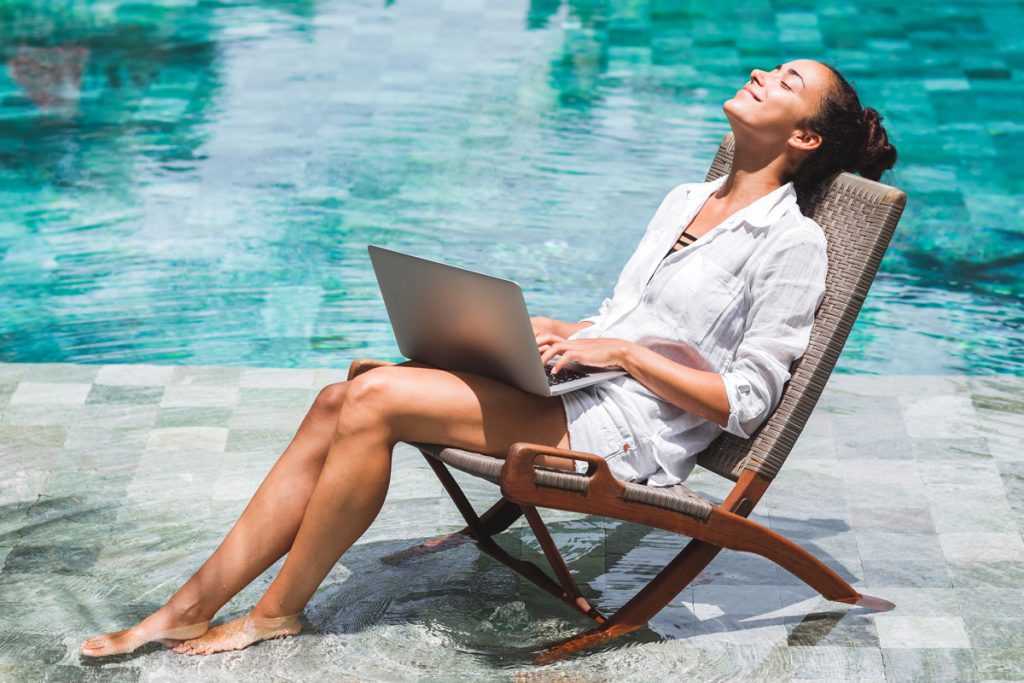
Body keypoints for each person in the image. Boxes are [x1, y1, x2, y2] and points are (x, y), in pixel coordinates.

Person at [80, 58, 897, 657]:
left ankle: (276, 611)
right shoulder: (688, 198)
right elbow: (634, 318)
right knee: (345, 392)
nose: (760, 71)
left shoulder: (794, 243)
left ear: (804, 136)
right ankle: (189, 605)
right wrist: (566, 330)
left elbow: (745, 401)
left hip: (623, 433)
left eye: (786, 80)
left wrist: (614, 349)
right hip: (582, 385)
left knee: (374, 403)